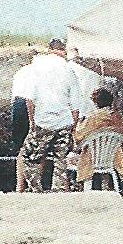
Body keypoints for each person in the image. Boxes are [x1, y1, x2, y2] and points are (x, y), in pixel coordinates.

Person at [20, 38, 80, 192]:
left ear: (49, 49)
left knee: (30, 157)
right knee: (61, 160)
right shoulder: (69, 70)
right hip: (64, 121)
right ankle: (58, 190)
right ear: (63, 51)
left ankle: (36, 189)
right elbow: (75, 105)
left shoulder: (36, 68)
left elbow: (29, 100)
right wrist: (73, 126)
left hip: (43, 120)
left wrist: (32, 121)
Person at [74, 87, 123, 190]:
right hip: (112, 157)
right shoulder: (118, 117)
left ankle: (84, 187)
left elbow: (78, 137)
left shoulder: (93, 118)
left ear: (95, 103)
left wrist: (79, 123)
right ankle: (106, 186)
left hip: (92, 157)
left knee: (75, 155)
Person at [9, 55, 37, 193]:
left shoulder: (22, 70)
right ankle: (32, 185)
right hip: (30, 103)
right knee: (37, 145)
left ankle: (20, 186)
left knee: (21, 147)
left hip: (17, 104)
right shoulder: (42, 71)